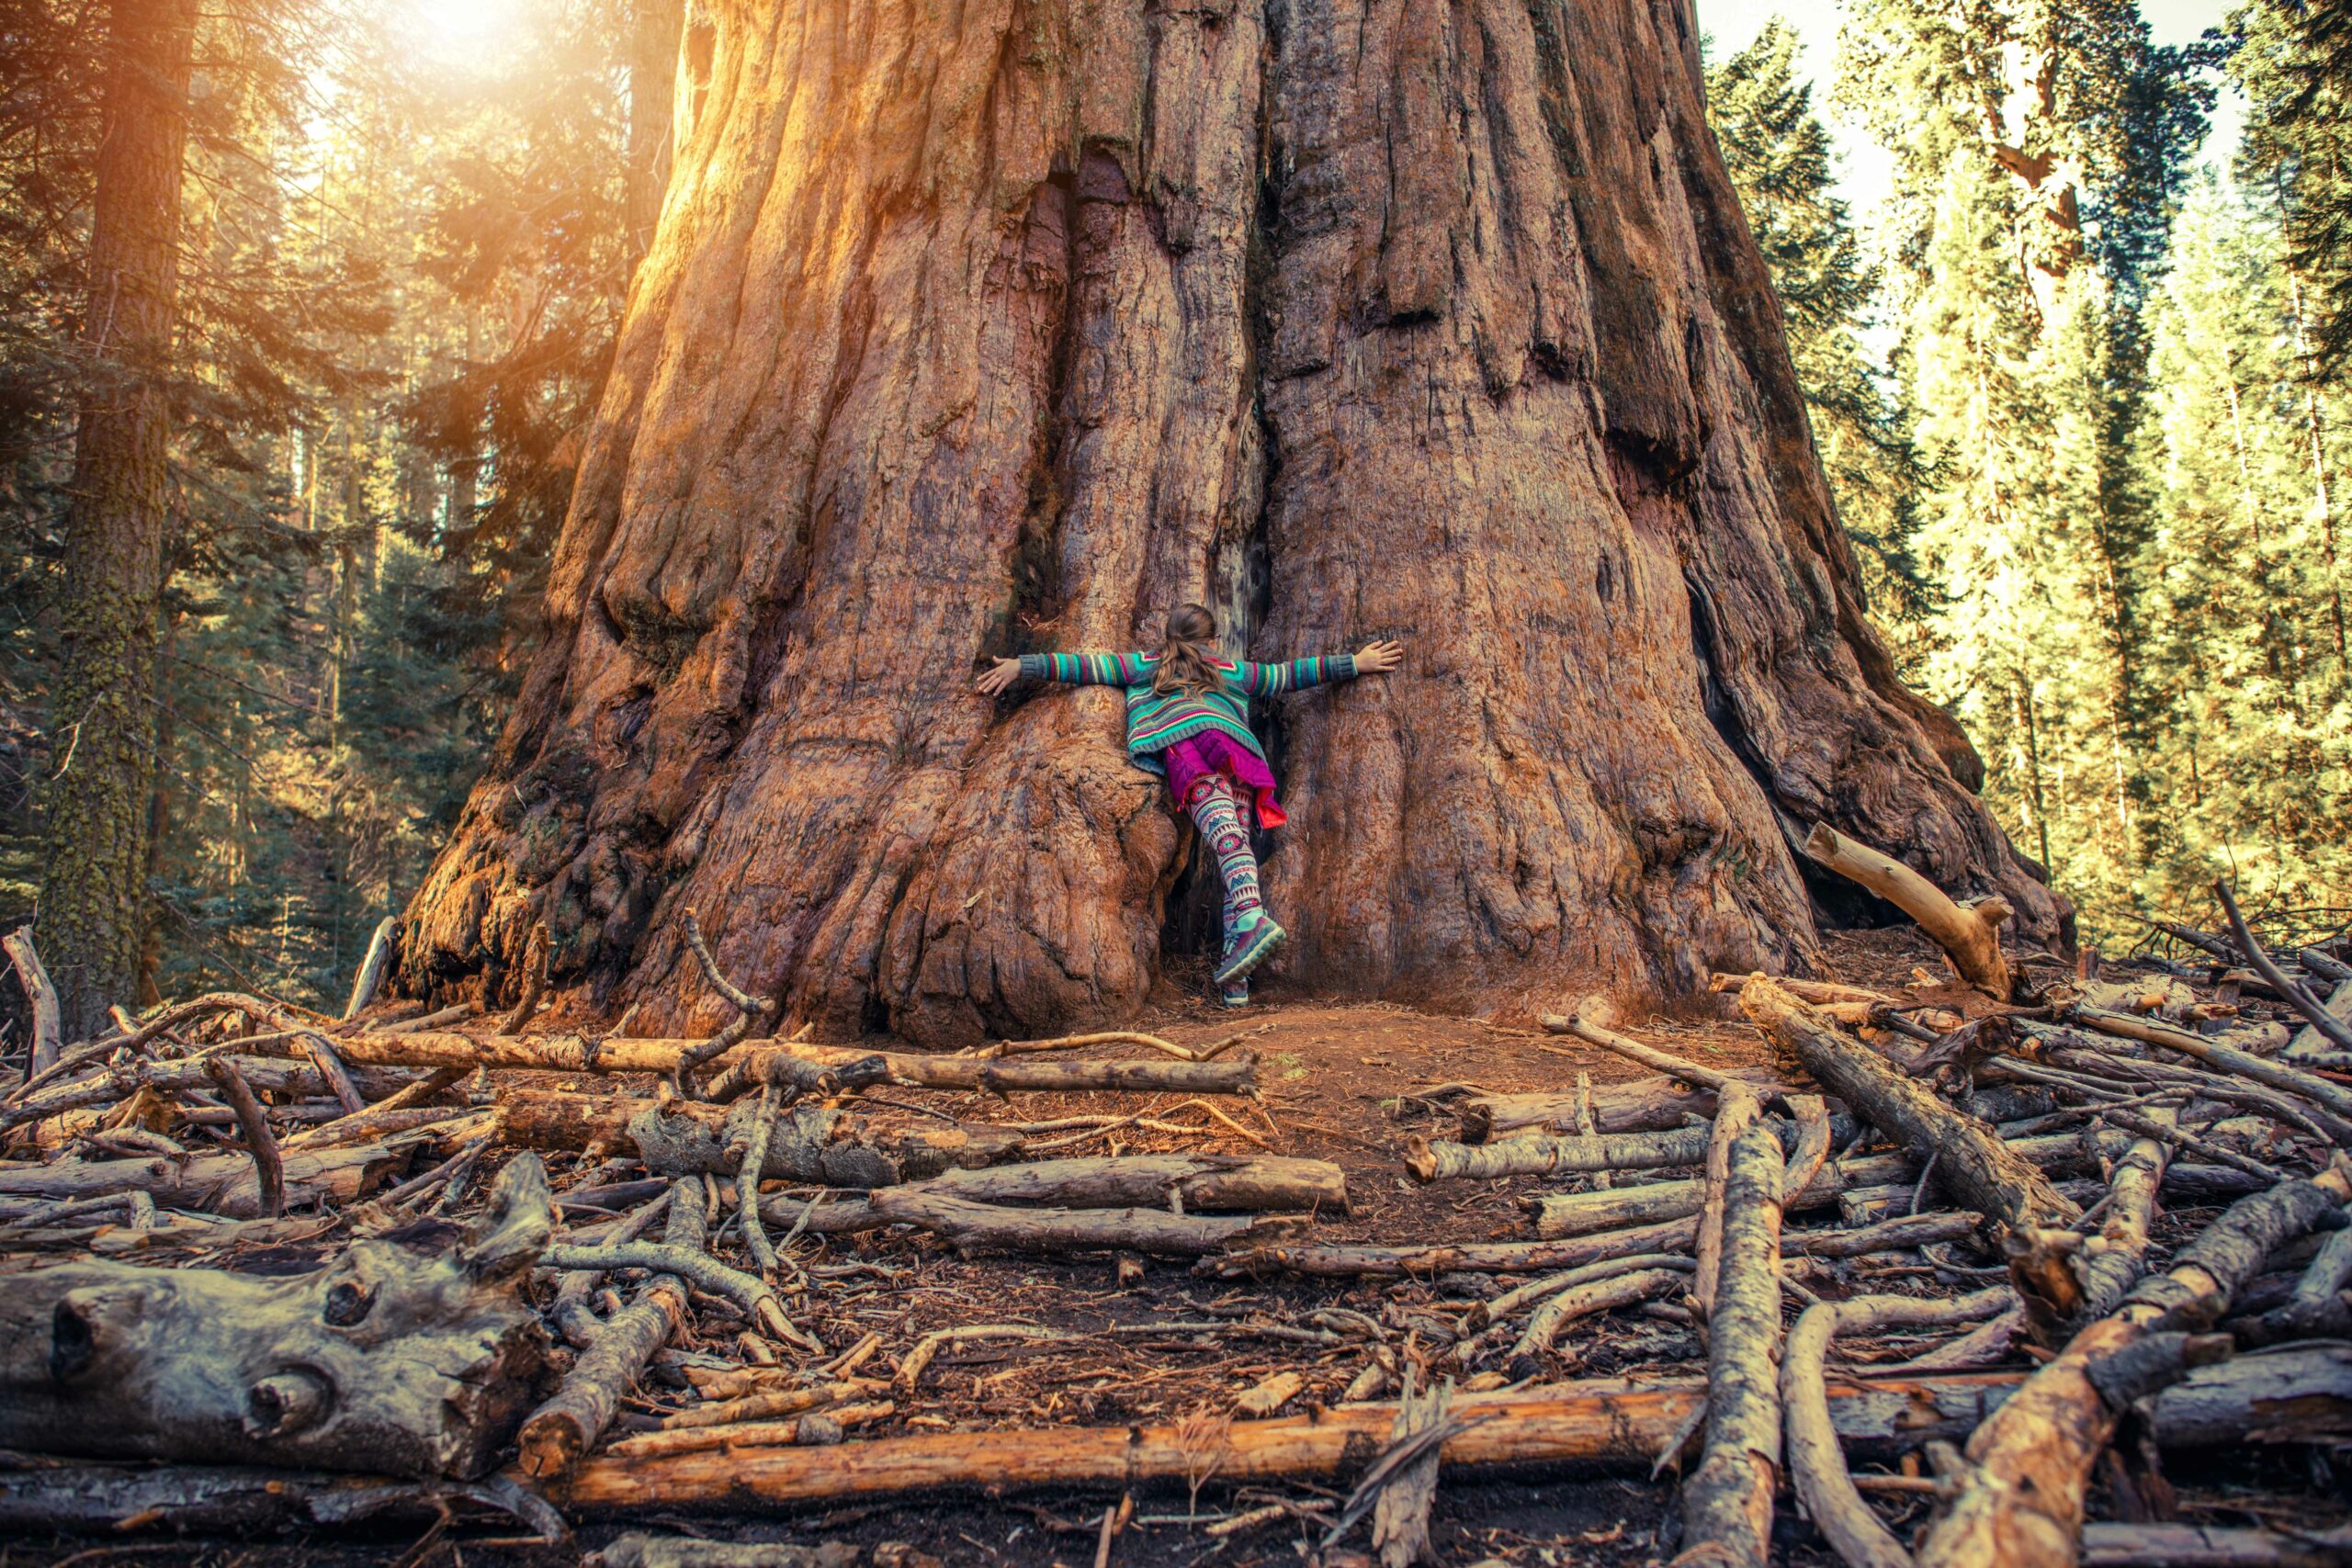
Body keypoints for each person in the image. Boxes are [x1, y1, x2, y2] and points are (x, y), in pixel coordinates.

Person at [977, 604, 1403, 1006]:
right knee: (1238, 849)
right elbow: (1287, 674)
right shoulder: (1232, 670)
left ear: (1168, 637)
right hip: (1237, 752)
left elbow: (1082, 666)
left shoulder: (1148, 666)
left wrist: (1022, 665)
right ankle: (1236, 981)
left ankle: (1253, 919)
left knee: (1226, 841)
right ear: (1213, 640)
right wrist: (1355, 662)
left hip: (1191, 753)